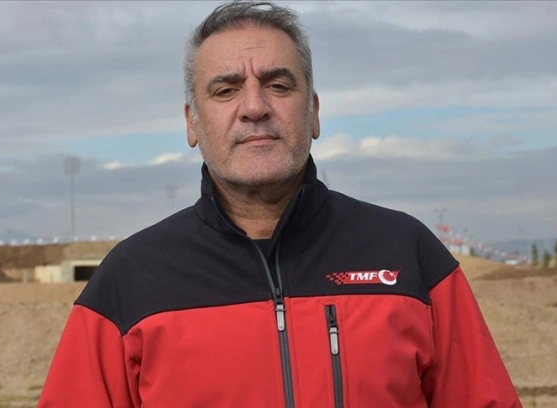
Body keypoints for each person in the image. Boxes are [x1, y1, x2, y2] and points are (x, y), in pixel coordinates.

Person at [39, 1, 521, 407]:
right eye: (226, 90)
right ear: (192, 123)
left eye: (278, 85)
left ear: (313, 112)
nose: (255, 107)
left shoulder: (409, 255)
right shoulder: (128, 281)